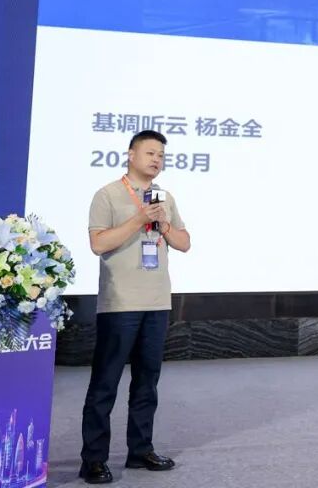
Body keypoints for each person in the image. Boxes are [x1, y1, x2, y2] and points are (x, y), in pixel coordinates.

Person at [79, 130, 192, 484]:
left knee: (147, 381)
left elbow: (184, 243)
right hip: (120, 303)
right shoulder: (107, 195)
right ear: (130, 155)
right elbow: (98, 244)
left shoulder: (165, 198)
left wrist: (163, 224)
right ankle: (93, 459)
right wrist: (139, 219)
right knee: (106, 382)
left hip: (157, 302)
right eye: (150, 153)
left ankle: (141, 450)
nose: (156, 160)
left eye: (161, 155)